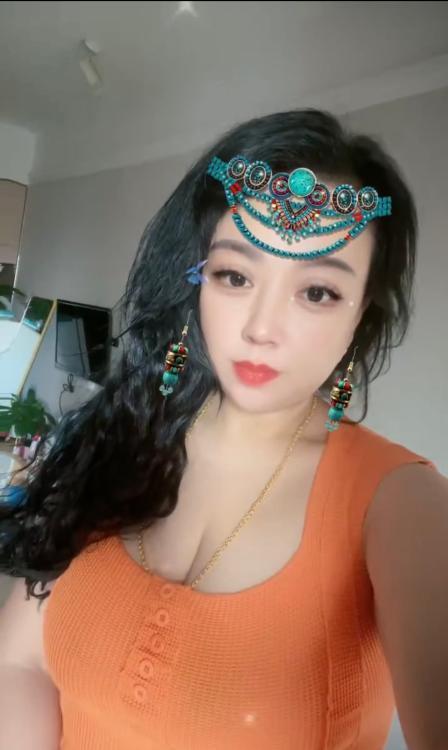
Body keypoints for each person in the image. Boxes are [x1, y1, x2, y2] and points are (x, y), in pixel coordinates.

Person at [0, 108, 446, 750]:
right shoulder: (122, 434)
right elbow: (19, 662)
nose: (262, 328)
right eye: (235, 276)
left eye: (317, 292)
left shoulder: (403, 505)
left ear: (360, 315)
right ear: (195, 282)